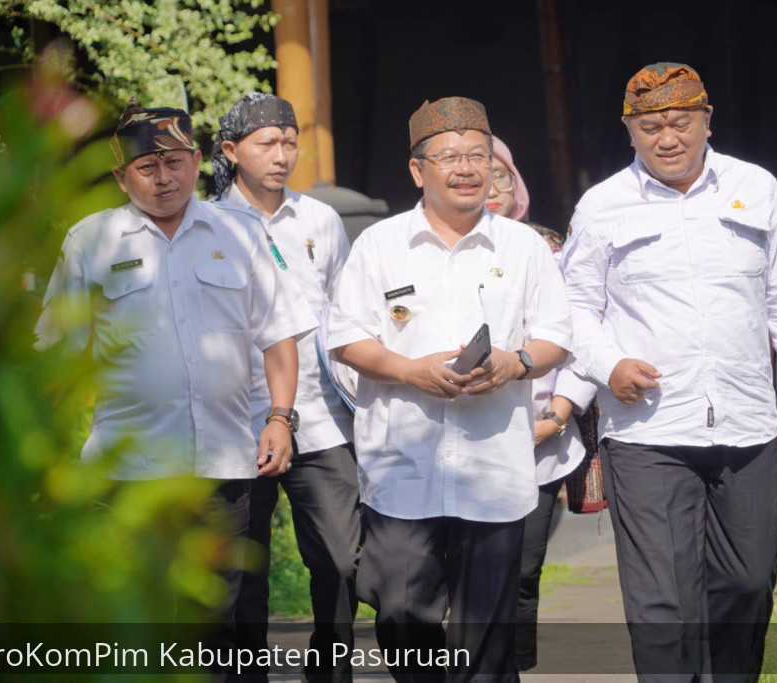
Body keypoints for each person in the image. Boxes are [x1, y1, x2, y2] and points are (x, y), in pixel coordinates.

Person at [562, 63, 777, 680]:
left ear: (707, 122)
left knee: (747, 583)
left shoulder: (757, 188)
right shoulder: (602, 205)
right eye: (651, 126)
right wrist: (609, 364)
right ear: (629, 130)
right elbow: (573, 309)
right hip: (647, 432)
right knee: (662, 603)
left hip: (748, 425)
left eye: (681, 123)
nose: (667, 138)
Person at [35, 101, 310, 675]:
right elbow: (57, 356)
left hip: (224, 467)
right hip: (129, 470)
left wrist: (281, 418)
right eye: (147, 167)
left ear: (197, 163)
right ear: (120, 176)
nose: (165, 178)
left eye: (176, 162)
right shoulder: (91, 241)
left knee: (218, 619)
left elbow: (279, 336)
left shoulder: (240, 233)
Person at [325, 96, 572, 681]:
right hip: (403, 468)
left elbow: (558, 337)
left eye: (478, 156)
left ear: (494, 167)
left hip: (494, 470)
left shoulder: (525, 246)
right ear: (419, 170)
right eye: (449, 157)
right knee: (401, 611)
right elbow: (345, 340)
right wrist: (411, 370)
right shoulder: (379, 245)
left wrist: (516, 363)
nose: (466, 168)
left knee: (485, 639)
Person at [211, 92, 360, 683]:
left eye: (290, 142)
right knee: (242, 571)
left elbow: (346, 312)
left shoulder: (319, 219)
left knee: (344, 561)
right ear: (230, 151)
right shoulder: (206, 224)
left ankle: (328, 670)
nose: (283, 155)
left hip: (320, 418)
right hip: (235, 421)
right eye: (267, 143)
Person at [483, 137, 596, 672]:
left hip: (539, 441)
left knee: (523, 570)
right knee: (466, 572)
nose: (488, 186)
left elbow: (581, 336)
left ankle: (512, 667)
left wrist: (558, 414)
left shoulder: (550, 250)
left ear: (516, 185)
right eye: (477, 173)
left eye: (500, 175)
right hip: (463, 438)